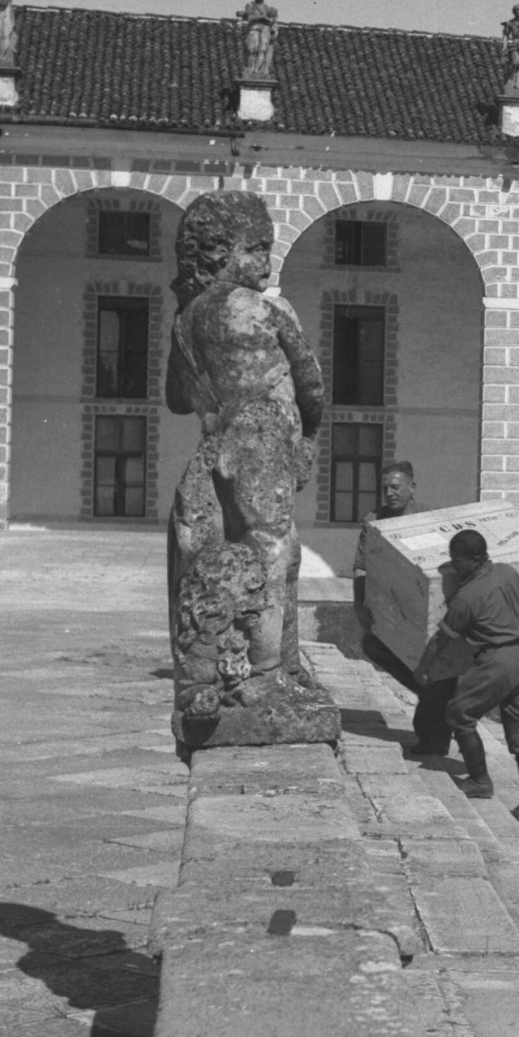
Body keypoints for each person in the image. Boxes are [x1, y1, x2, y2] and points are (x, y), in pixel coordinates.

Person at [165, 191, 325, 716]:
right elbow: (313, 385)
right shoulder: (267, 310)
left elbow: (174, 397)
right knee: (275, 554)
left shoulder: (185, 320)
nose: (266, 262)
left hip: (214, 448)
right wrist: (308, 436)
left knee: (209, 558)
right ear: (220, 252)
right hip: (263, 440)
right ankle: (268, 675)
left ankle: (212, 674)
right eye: (256, 249)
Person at [417, 528, 519, 822]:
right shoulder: (507, 572)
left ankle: (479, 781)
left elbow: (441, 639)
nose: (453, 565)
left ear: (470, 560)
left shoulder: (467, 597)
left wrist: (423, 669)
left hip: (497, 661)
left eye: (455, 559)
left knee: (459, 713)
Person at [351, 461, 458, 756]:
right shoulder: (374, 521)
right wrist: (360, 607)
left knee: (437, 669)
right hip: (393, 607)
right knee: (373, 644)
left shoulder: (428, 518)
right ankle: (434, 702)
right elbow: (361, 568)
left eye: (396, 487)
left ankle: (435, 732)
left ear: (412, 487)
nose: (389, 493)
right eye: (385, 487)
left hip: (431, 608)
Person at [237, 0, 279, 79]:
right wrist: (262, 18)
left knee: (263, 50)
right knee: (252, 49)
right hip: (254, 29)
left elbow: (273, 20)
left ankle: (257, 71)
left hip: (265, 30)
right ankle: (250, 69)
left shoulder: (268, 8)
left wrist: (272, 24)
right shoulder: (250, 5)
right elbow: (249, 17)